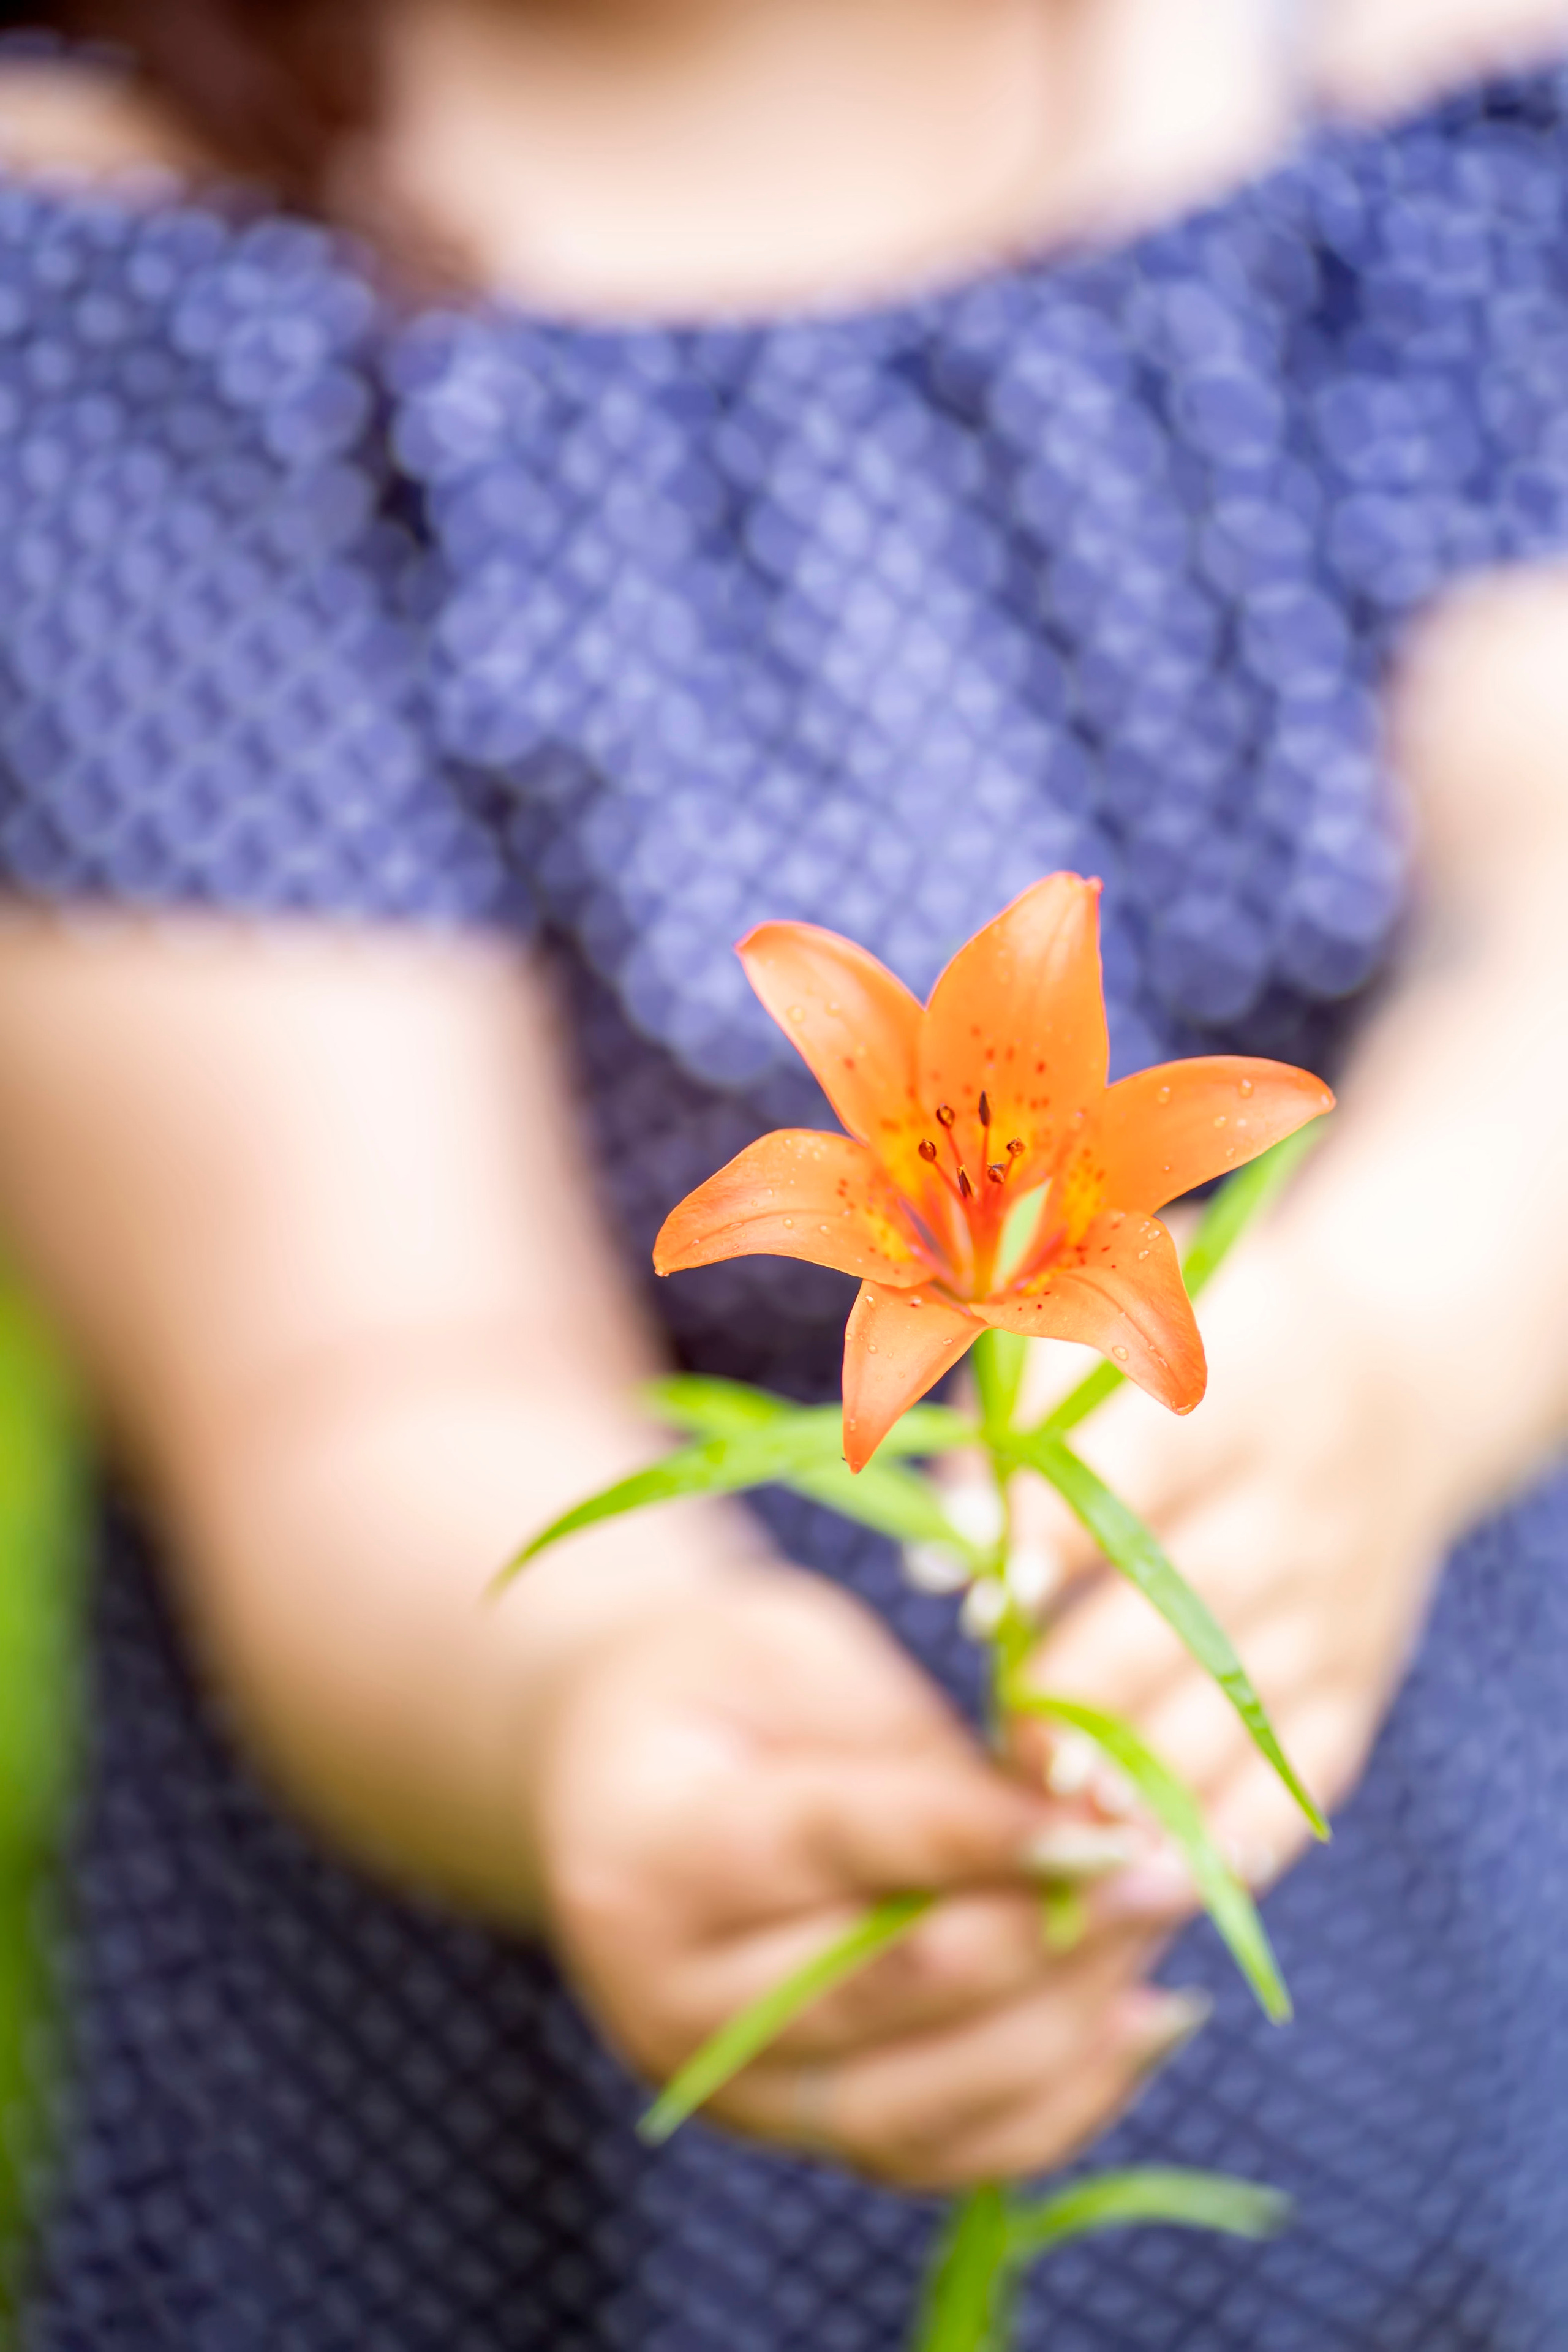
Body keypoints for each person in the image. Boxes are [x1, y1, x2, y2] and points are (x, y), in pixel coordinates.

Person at [0, 0, 1564, 2343]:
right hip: (540, 2047)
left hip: (1438, 1926)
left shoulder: (1392, 69)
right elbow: (354, 1374)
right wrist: (624, 1703)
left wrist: (1373, 1353)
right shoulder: (126, 244)